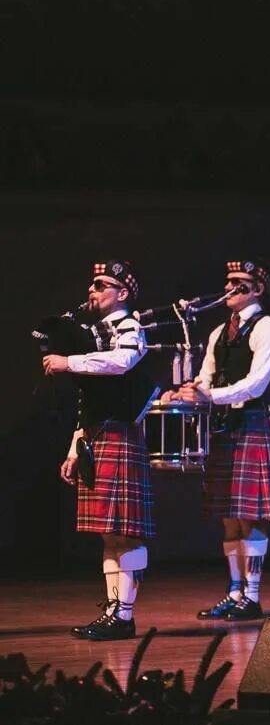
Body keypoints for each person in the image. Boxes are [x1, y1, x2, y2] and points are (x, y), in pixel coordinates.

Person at [168, 259, 270, 622]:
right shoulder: (219, 331)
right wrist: (190, 391)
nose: (228, 288)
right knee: (228, 516)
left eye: (238, 282)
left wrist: (210, 397)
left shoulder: (269, 328)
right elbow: (208, 376)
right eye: (227, 281)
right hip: (224, 427)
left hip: (253, 423)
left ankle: (251, 596)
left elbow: (256, 384)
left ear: (257, 289)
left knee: (250, 516)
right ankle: (234, 591)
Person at [46, 260, 155, 640]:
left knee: (126, 532)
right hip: (97, 436)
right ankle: (114, 611)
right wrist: (75, 446)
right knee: (109, 533)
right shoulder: (94, 333)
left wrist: (69, 362)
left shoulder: (130, 328)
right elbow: (87, 399)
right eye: (91, 284)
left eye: (101, 284)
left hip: (120, 435)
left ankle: (124, 614)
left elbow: (123, 362)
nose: (92, 291)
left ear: (122, 293)